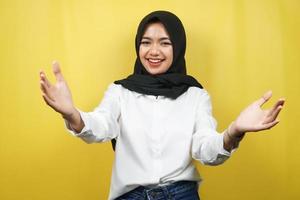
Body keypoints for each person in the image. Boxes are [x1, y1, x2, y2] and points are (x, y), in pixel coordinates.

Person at [39, 10, 285, 200]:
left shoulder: (195, 95)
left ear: (177, 48)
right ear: (138, 46)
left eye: (165, 43)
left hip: (181, 194)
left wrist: (234, 132)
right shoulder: (120, 91)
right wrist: (72, 114)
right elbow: (101, 126)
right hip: (130, 196)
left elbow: (205, 149)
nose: (153, 51)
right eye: (146, 42)